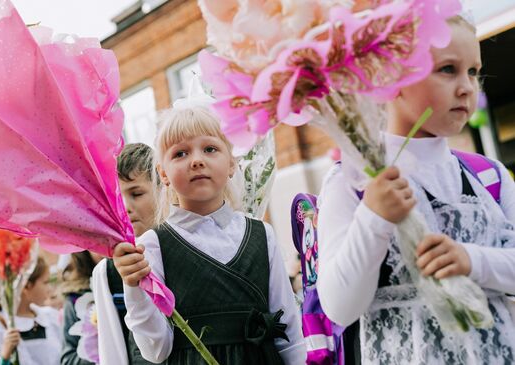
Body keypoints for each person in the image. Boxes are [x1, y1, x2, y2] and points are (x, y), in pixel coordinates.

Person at [317, 15, 515, 364]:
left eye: (473, 71)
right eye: (448, 69)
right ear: (392, 78)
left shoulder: (490, 176)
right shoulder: (353, 181)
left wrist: (473, 260)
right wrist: (374, 217)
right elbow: (338, 306)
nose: (467, 87)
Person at [113, 105, 305, 364]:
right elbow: (155, 349)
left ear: (231, 164)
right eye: (180, 153)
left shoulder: (262, 235)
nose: (196, 160)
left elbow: (289, 329)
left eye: (210, 149)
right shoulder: (153, 245)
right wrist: (133, 286)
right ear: (163, 174)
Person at [91, 142, 160, 365]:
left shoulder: (186, 248)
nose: (126, 207)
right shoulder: (107, 272)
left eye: (137, 194)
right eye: (118, 199)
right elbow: (113, 352)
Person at [0, 256, 62, 365]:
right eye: (45, 283)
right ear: (26, 286)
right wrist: (4, 356)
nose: (49, 289)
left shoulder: (50, 316)